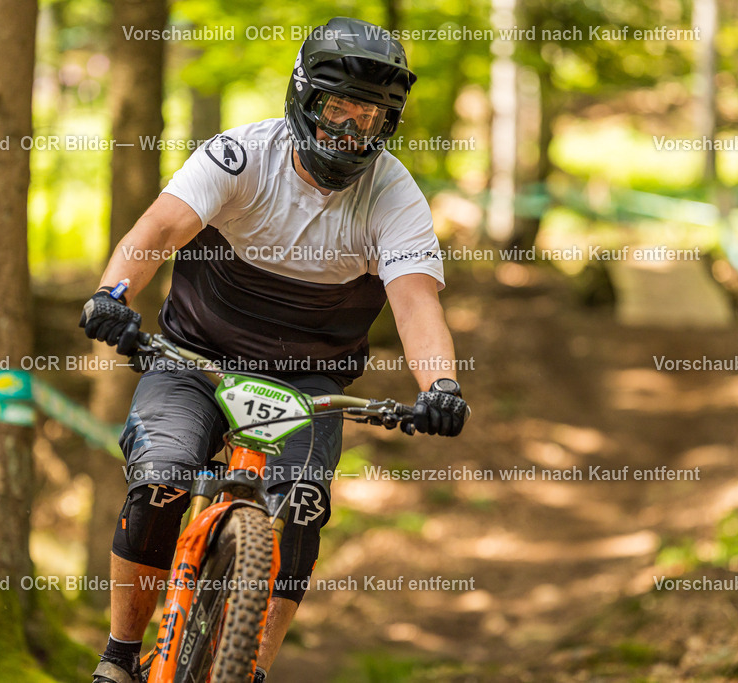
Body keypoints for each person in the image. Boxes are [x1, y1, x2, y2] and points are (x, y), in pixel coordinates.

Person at [80, 17, 469, 683]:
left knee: (301, 511)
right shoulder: (239, 156)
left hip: (309, 381)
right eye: (335, 108)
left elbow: (415, 299)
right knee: (162, 479)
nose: (349, 131)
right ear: (301, 98)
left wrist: (441, 385)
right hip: (194, 356)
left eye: (368, 117)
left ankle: (245, 670)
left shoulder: (394, 195)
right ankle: (119, 657)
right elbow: (158, 229)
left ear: (388, 124)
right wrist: (113, 293)